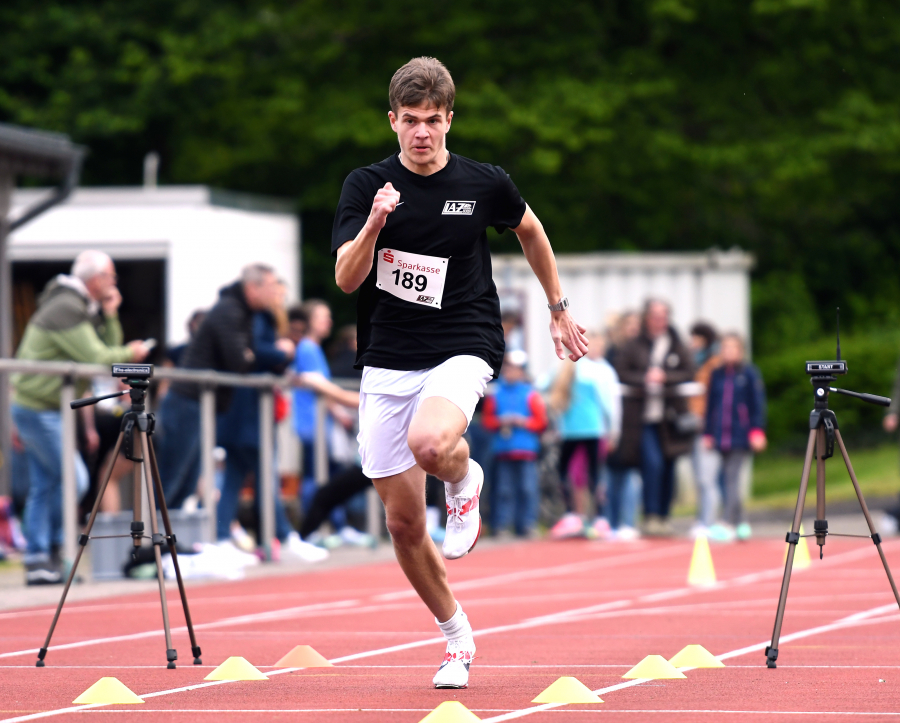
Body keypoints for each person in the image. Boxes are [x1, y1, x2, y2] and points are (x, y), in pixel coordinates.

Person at [331, 57, 588, 688]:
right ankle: (456, 638)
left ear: (451, 120)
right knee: (402, 524)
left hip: (464, 339)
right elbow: (345, 279)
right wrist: (373, 226)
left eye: (434, 121)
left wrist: (557, 309)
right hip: (389, 355)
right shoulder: (366, 185)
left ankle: (461, 471)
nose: (423, 133)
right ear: (392, 121)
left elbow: (530, 230)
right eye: (411, 121)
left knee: (431, 444)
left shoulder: (483, 183)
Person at [11, 250, 150, 584]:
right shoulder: (66, 307)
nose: (115, 282)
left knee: (47, 483)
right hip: (37, 406)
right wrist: (132, 352)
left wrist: (111, 315)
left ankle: (43, 560)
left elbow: (103, 353)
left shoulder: (78, 306)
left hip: (43, 406)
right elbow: (101, 358)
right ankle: (46, 553)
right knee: (75, 478)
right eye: (112, 276)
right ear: (96, 279)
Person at [215, 284, 328, 562]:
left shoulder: (249, 316)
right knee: (264, 475)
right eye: (276, 289)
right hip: (250, 411)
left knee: (237, 476)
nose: (280, 296)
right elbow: (254, 355)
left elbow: (255, 356)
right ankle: (284, 537)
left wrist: (280, 355)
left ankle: (222, 538)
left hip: (241, 411)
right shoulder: (256, 317)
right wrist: (282, 352)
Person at [156, 264, 281, 509]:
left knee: (187, 480)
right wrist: (250, 356)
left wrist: (248, 355)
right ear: (252, 288)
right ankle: (152, 542)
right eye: (271, 286)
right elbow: (238, 361)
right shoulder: (230, 311)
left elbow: (245, 356)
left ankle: (168, 542)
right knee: (173, 478)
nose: (275, 293)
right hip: (188, 402)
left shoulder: (240, 311)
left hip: (198, 402)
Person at [615, 299, 695, 537]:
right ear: (646, 317)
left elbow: (689, 372)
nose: (659, 320)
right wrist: (645, 379)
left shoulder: (677, 344)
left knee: (670, 466)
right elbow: (621, 371)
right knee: (653, 464)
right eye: (654, 315)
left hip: (670, 419)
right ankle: (650, 515)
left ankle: (664, 515)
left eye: (663, 315)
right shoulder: (633, 345)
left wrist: (665, 377)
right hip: (643, 419)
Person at [546, 330, 620, 540]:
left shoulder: (561, 369)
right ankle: (599, 518)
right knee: (594, 474)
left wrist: (556, 421)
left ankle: (572, 514)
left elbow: (542, 386)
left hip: (570, 431)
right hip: (592, 430)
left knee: (565, 472)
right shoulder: (595, 370)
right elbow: (608, 404)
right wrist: (613, 429)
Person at [291, 299, 356, 527]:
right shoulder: (308, 348)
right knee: (316, 475)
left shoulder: (312, 348)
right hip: (312, 422)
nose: (329, 321)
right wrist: (339, 412)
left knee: (324, 474)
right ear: (310, 322)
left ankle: (332, 525)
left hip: (316, 421)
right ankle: (315, 527)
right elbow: (320, 386)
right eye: (322, 317)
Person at [704, 333, 767, 542]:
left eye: (733, 347)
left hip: (741, 436)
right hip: (721, 435)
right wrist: (708, 432)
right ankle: (741, 522)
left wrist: (757, 430)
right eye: (725, 347)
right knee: (724, 479)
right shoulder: (716, 374)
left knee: (731, 477)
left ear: (741, 351)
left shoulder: (749, 374)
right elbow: (710, 405)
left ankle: (726, 522)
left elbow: (757, 404)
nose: (729, 351)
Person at [481, 350, 548, 538]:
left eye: (515, 369)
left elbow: (541, 422)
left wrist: (523, 422)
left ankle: (526, 524)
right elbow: (487, 421)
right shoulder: (496, 393)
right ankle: (502, 525)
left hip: (526, 450)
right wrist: (501, 422)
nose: (510, 372)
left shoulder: (531, 394)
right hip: (503, 449)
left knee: (527, 489)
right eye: (508, 368)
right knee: (503, 490)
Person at [688, 322, 722, 537]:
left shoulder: (714, 364)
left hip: (708, 426)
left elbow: (714, 398)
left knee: (707, 478)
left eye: (695, 338)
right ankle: (703, 519)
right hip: (695, 424)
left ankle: (709, 521)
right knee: (699, 477)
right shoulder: (696, 362)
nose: (692, 343)